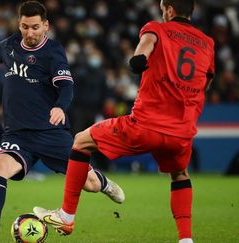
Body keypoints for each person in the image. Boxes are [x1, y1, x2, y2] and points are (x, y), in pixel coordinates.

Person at [0, 1, 124, 242]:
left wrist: (59, 106)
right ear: (19, 24)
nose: (30, 33)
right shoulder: (10, 45)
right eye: (25, 27)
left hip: (50, 133)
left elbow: (67, 86)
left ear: (46, 25)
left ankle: (104, 183)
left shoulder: (53, 51)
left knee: (88, 183)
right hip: (17, 134)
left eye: (36, 27)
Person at [33, 1, 215, 243]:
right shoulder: (207, 43)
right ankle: (186, 239)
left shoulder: (157, 29)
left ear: (169, 9)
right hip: (181, 132)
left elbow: (144, 48)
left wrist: (138, 60)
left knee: (81, 142)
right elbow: (206, 83)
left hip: (145, 125)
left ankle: (66, 216)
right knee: (180, 174)